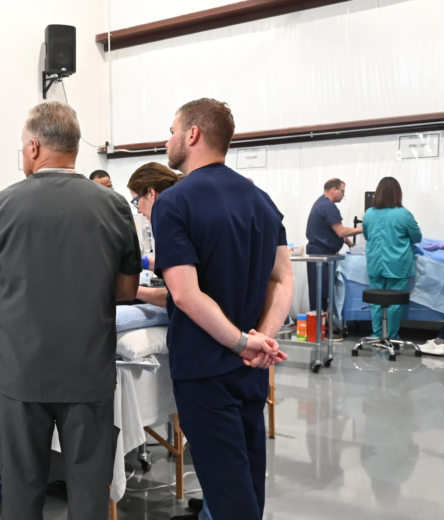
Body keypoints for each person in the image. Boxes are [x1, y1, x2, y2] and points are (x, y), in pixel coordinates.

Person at [0, 101, 142, 520]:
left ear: (32, 147)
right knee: (88, 492)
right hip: (87, 371)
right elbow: (126, 290)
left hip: (22, 372)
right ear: (75, 149)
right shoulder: (115, 206)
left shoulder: (0, 206)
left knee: (22, 490)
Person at [152, 98, 292, 520]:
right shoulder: (262, 200)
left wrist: (242, 342)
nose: (168, 138)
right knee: (248, 478)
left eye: (172, 129)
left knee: (228, 491)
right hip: (251, 370)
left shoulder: (174, 202)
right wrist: (262, 338)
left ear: (192, 134)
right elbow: (282, 279)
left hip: (205, 367)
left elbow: (184, 294)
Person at [362, 177, 422, 339]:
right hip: (398, 264)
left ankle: (377, 334)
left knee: (376, 301)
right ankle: (391, 336)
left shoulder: (368, 214)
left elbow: (367, 236)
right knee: (395, 302)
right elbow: (417, 237)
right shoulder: (404, 214)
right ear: (398, 194)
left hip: (375, 263)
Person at [305, 178, 362, 339]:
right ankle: (319, 331)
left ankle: (324, 327)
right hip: (320, 254)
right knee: (320, 292)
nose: (344, 195)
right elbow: (341, 231)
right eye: (343, 191)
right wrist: (364, 228)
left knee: (323, 291)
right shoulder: (328, 206)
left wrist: (351, 245)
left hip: (322, 252)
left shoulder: (322, 203)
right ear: (334, 190)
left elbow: (334, 231)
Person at [127, 162, 182, 308]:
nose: (138, 210)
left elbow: (178, 297)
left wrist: (129, 289)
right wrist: (143, 262)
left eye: (136, 201)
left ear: (151, 193)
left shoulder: (170, 226)